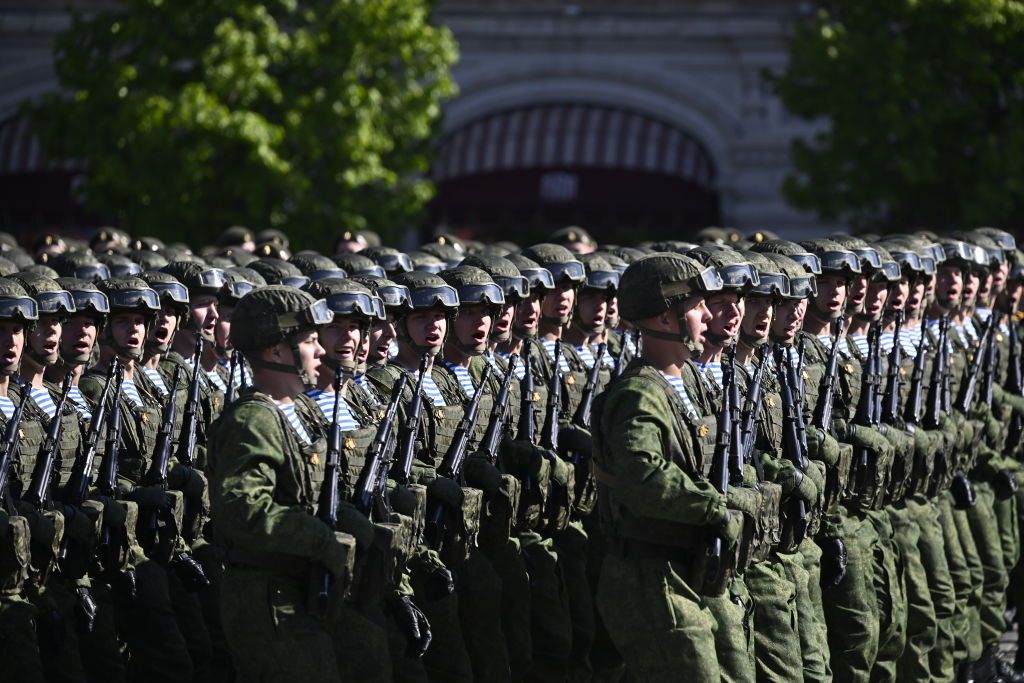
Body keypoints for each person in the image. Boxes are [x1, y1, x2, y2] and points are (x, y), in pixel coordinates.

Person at [592, 252, 749, 681]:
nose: (706, 315)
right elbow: (644, 476)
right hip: (652, 577)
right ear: (665, 319)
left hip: (688, 567)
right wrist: (716, 507)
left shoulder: (686, 381)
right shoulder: (640, 393)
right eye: (697, 306)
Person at [209, 285, 356, 683]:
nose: (321, 350)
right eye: (309, 341)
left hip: (300, 591)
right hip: (269, 600)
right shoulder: (253, 419)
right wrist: (319, 538)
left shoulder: (299, 409)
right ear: (275, 351)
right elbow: (243, 509)